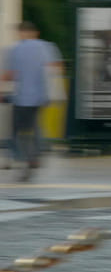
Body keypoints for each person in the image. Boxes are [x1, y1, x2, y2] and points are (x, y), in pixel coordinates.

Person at [2, 21, 63, 181]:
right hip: (41, 97)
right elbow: (57, 68)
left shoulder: (16, 49)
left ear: (22, 33)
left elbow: (10, 75)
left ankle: (26, 160)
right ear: (35, 33)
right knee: (34, 126)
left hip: (22, 98)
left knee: (19, 131)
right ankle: (34, 156)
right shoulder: (48, 47)